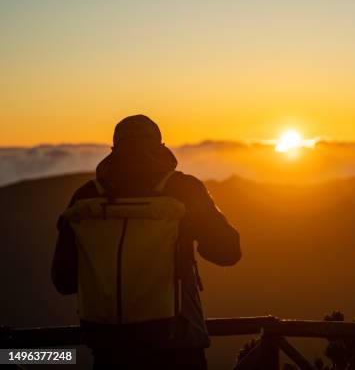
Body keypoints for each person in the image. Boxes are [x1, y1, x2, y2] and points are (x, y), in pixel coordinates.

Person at [52, 115, 241, 369]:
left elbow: (63, 281)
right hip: (178, 346)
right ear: (160, 148)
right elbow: (228, 252)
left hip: (111, 350)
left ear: (114, 150)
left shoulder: (86, 198)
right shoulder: (182, 189)